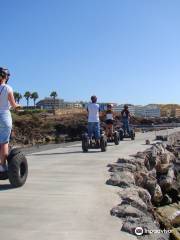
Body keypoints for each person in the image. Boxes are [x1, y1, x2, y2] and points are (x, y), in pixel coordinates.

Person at [0, 67, 20, 172]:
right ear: (5, 76)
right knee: (4, 142)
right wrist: (18, 106)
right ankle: (2, 166)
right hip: (4, 117)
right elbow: (13, 104)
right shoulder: (7, 88)